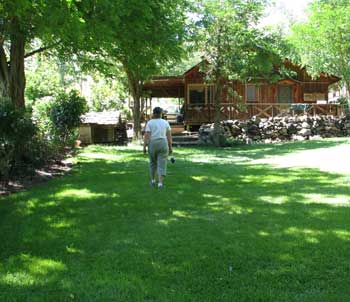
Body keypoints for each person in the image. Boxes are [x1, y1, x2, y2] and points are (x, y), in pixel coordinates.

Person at [143, 107, 173, 189]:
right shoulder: (165, 123)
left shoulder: (149, 123)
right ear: (161, 114)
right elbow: (169, 137)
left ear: (153, 113)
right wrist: (170, 148)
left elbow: (147, 136)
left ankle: (153, 180)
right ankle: (160, 183)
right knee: (162, 163)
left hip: (152, 143)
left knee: (153, 163)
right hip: (163, 143)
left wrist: (144, 147)